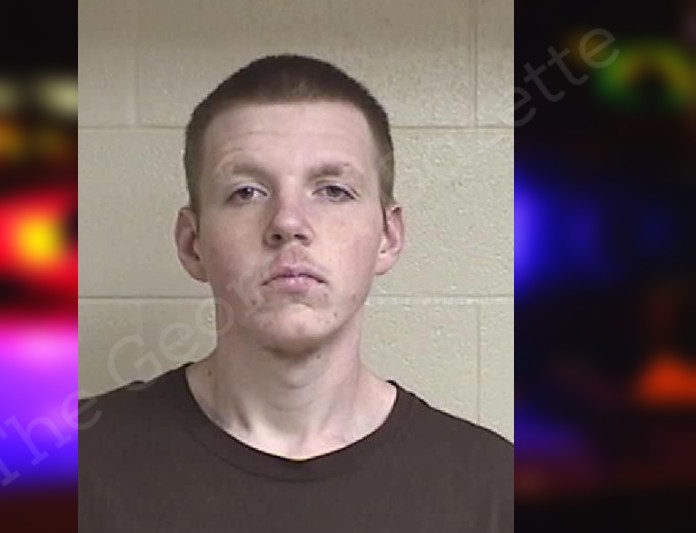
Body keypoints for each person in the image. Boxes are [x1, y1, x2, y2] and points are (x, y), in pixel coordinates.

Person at [78, 54, 513, 532]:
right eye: (246, 192)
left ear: (388, 237)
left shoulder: (495, 488)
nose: (288, 223)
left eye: (333, 191)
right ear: (192, 243)